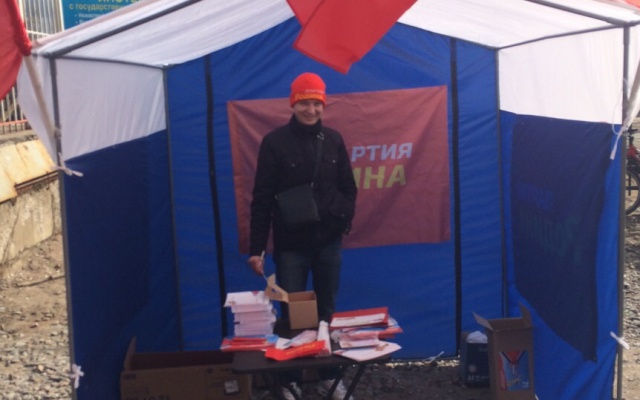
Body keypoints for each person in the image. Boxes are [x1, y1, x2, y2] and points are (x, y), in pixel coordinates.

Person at [247, 72, 357, 400]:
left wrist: (341, 218)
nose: (311, 110)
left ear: (323, 105)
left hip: (328, 243)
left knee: (326, 312)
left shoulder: (334, 139)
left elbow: (348, 187)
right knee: (293, 316)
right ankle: (291, 380)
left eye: (316, 103)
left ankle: (328, 378)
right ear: (293, 104)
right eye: (304, 103)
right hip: (291, 247)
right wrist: (256, 249)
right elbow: (262, 199)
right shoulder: (274, 143)